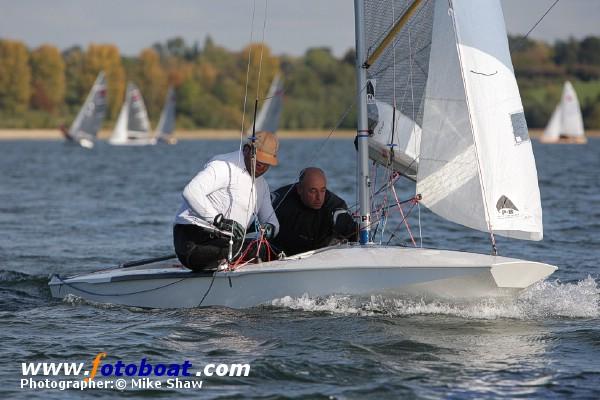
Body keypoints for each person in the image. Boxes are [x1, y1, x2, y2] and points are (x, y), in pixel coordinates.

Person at [173, 131, 280, 271]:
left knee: (269, 249)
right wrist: (220, 221)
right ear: (247, 150)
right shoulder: (222, 166)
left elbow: (272, 221)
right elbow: (191, 192)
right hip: (192, 240)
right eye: (259, 162)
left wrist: (270, 228)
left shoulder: (262, 185)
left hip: (225, 243)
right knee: (247, 249)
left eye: (267, 164)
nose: (263, 167)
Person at [271, 167, 357, 256]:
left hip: (319, 258)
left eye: (323, 190)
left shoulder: (335, 207)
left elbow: (355, 235)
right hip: (281, 258)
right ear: (300, 189)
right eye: (313, 191)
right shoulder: (280, 201)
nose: (319, 198)